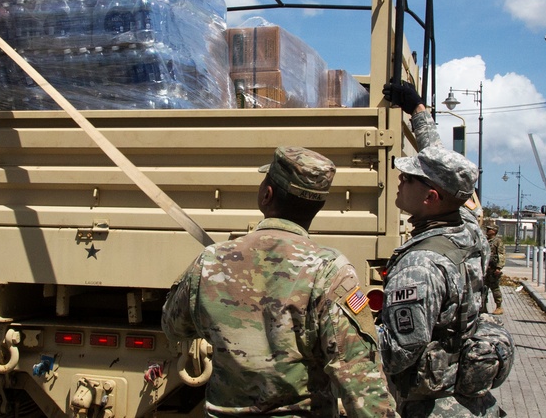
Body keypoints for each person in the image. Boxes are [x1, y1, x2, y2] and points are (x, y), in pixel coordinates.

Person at [161, 146, 396, 417]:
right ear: (318, 205)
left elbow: (173, 326)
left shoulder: (211, 260)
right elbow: (360, 378)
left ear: (266, 194)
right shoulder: (330, 270)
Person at [381, 82, 501, 417]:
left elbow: (399, 351)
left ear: (430, 198)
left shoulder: (422, 265)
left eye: (409, 178)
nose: (401, 179)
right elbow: (443, 165)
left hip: (431, 406)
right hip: (466, 395)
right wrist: (418, 111)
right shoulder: (467, 225)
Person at [484, 222, 505, 314]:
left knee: (495, 288)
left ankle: (499, 307)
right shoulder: (485, 240)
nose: (487, 231)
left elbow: (501, 255)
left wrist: (498, 267)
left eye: (489, 229)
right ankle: (483, 306)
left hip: (493, 269)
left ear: (494, 231)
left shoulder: (498, 241)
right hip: (485, 268)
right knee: (483, 289)